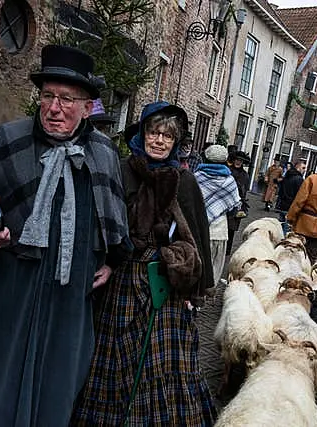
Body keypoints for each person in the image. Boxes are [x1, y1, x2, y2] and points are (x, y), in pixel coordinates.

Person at [0, 45, 131, 426]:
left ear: (87, 105)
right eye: (47, 96)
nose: (54, 108)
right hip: (13, 283)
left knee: (62, 374)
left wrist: (111, 262)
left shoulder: (103, 153)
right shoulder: (8, 140)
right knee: (5, 367)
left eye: (66, 99)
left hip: (71, 291)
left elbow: (114, 218)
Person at [73, 101, 216, 424]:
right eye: (154, 133)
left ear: (176, 142)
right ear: (143, 134)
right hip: (123, 276)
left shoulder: (184, 181)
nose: (160, 141)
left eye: (168, 136)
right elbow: (103, 221)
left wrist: (193, 290)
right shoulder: (122, 171)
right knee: (114, 352)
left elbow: (197, 237)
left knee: (163, 359)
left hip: (165, 282)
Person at [194, 144, 241, 282]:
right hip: (219, 231)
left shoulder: (196, 177)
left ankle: (192, 296)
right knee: (214, 267)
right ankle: (206, 294)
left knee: (196, 264)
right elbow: (234, 208)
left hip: (197, 229)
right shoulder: (229, 181)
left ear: (205, 159)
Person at [226, 150, 251, 255]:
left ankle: (227, 250)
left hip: (237, 203)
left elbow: (245, 190)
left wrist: (241, 203)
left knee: (231, 228)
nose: (238, 162)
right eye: (237, 160)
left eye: (240, 161)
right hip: (226, 201)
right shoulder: (227, 170)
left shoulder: (245, 175)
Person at [276, 160, 307, 236]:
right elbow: (300, 195)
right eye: (303, 168)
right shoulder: (299, 179)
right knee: (287, 229)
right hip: (290, 207)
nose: (304, 170)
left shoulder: (287, 176)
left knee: (281, 226)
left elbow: (280, 191)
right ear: (298, 168)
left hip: (282, 205)